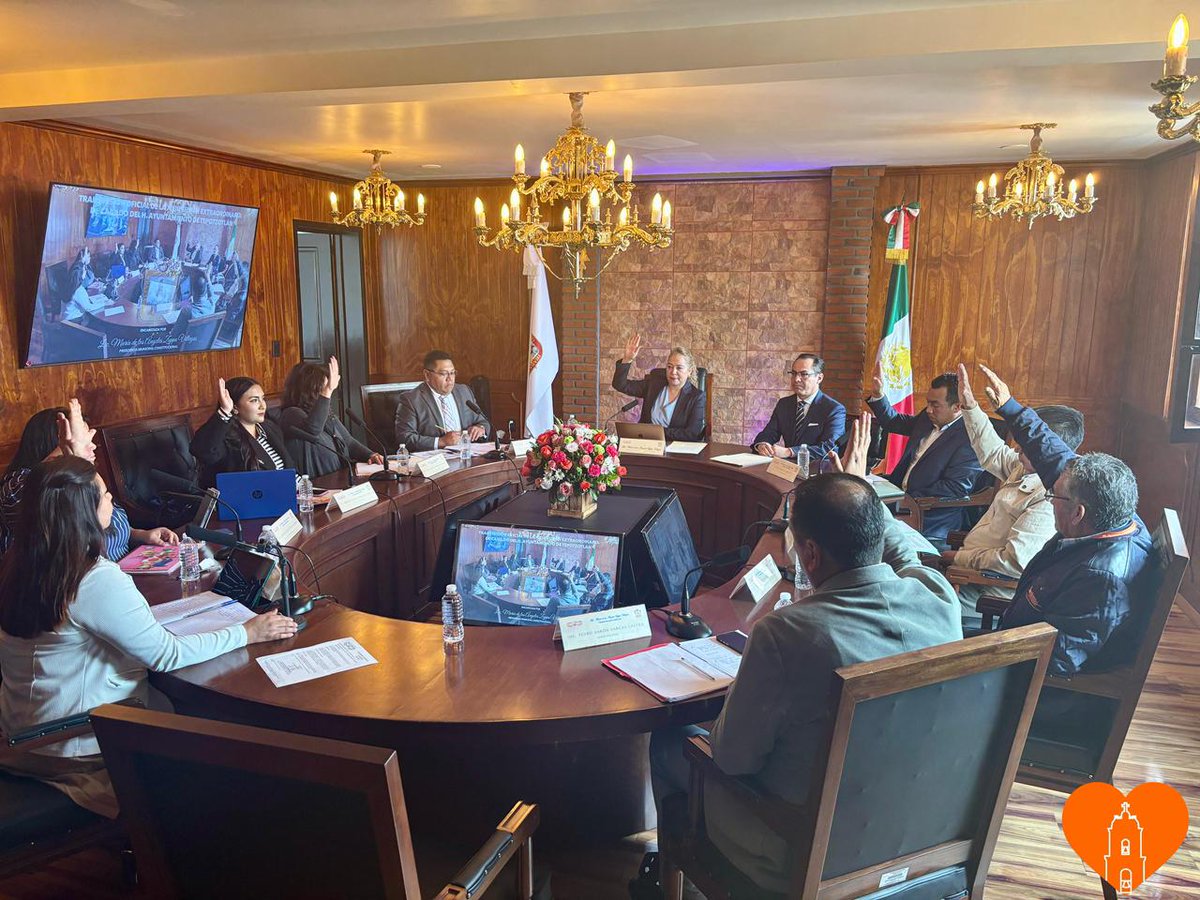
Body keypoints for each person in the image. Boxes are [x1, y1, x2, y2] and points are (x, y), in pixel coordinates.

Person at [640, 418, 961, 897]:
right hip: (918, 828)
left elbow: (731, 759)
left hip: (801, 849)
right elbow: (908, 553)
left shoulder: (787, 633)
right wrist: (862, 490)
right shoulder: (940, 600)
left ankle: (670, 879)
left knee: (671, 743)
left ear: (808, 555)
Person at [0, 457, 296, 817]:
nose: (111, 502)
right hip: (75, 745)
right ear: (83, 513)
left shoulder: (21, 564)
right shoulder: (92, 578)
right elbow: (166, 655)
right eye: (106, 496)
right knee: (215, 722)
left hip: (26, 733)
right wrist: (248, 632)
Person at [964, 365, 1155, 678]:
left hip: (1022, 682)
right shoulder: (1109, 507)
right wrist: (1010, 407)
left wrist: (973, 656)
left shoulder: (1102, 579)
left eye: (1053, 497)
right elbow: (1054, 455)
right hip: (1011, 643)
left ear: (1077, 513)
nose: (1050, 500)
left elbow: (1055, 660)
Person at [943, 363, 1086, 627]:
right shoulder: (1024, 467)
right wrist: (970, 407)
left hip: (985, 592)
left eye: (1027, 442)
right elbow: (993, 452)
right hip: (964, 575)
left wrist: (958, 559)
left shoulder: (1052, 497)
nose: (1017, 446)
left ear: (1049, 449)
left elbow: (1014, 562)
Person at [0, 402, 176, 562]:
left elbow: (106, 523)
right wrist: (73, 455)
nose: (93, 446)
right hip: (75, 588)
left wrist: (141, 535)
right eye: (84, 439)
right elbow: (67, 533)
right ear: (56, 442)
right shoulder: (17, 484)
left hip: (124, 570)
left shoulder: (82, 472)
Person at [867, 366, 984, 547]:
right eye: (928, 403)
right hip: (897, 499)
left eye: (935, 405)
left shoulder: (971, 438)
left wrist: (905, 498)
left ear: (958, 407)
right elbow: (893, 422)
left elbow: (955, 488)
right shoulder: (928, 418)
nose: (928, 410)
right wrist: (879, 395)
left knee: (864, 533)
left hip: (929, 516)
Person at [279, 357, 383, 478]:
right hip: (316, 486)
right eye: (322, 389)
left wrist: (370, 454)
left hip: (340, 477)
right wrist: (327, 392)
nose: (327, 395)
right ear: (309, 390)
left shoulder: (325, 414)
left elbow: (349, 442)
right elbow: (313, 430)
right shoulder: (290, 414)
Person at [191, 377, 296, 489]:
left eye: (262, 399)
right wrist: (225, 411)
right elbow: (203, 452)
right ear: (235, 407)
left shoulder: (270, 428)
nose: (262, 406)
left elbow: (289, 472)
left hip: (285, 498)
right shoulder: (226, 437)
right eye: (254, 400)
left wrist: (308, 492)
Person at [752, 352, 846, 462]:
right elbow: (769, 433)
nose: (796, 379)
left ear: (819, 378)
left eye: (804, 374)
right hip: (786, 470)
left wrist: (790, 452)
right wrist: (762, 444)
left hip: (816, 472)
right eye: (794, 373)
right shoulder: (784, 404)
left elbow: (829, 449)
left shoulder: (834, 409)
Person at [611, 335, 706, 442]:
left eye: (679, 368)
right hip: (645, 444)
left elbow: (692, 434)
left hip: (674, 449)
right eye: (669, 367)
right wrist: (627, 359)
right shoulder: (654, 384)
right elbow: (620, 385)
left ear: (689, 371)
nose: (673, 372)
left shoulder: (696, 396)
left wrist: (658, 432)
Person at [394, 350, 491, 451]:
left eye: (452, 373)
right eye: (443, 374)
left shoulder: (464, 391)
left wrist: (481, 428)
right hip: (434, 461)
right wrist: (441, 441)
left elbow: (483, 421)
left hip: (468, 454)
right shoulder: (412, 400)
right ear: (427, 375)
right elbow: (405, 438)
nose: (450, 379)